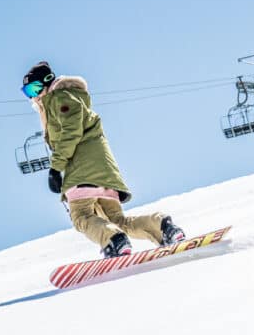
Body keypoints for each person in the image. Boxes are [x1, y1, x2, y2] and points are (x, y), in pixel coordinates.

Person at [21, 61, 186, 258]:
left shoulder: (60, 97)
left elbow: (71, 131)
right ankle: (162, 228)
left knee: (81, 217)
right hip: (103, 172)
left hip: (82, 172)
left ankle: (113, 241)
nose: (34, 96)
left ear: (48, 81)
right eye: (27, 92)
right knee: (118, 221)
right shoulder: (69, 98)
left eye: (35, 88)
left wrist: (55, 168)